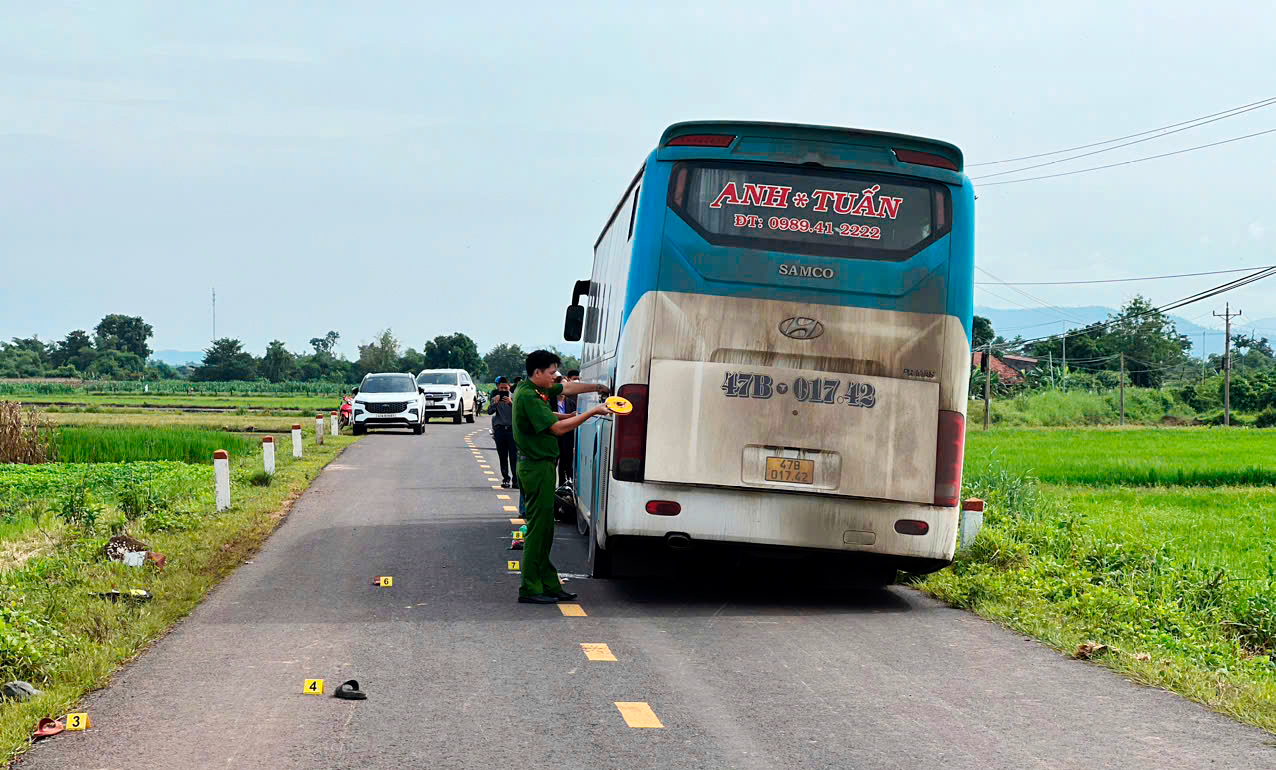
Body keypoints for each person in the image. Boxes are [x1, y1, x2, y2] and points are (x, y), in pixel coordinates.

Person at [513, 349, 610, 604]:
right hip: (536, 468)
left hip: (542, 466)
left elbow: (568, 390)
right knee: (538, 530)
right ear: (537, 372)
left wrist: (599, 386)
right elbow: (555, 428)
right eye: (551, 371)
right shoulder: (528, 396)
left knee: (545, 530)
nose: (556, 376)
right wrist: (591, 412)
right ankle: (530, 588)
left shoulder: (535, 391)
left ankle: (547, 583)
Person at [487, 377, 517, 488]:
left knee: (514, 457)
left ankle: (516, 480)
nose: (503, 389)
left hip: (512, 430)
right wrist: (495, 403)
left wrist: (511, 403)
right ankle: (505, 478)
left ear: (509, 387)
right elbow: (490, 411)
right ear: (498, 387)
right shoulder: (496, 398)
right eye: (501, 388)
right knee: (502, 456)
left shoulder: (514, 397)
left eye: (505, 387)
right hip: (500, 430)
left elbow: (520, 412)